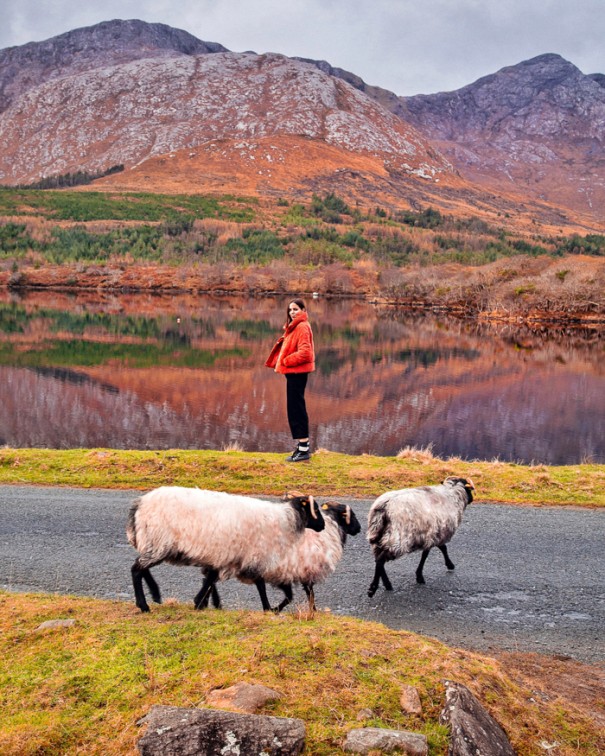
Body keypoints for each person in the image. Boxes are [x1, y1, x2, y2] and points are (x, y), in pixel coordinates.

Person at [265, 299, 315, 462]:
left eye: (296, 309)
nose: (292, 312)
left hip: (297, 373)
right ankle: (301, 447)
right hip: (293, 373)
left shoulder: (302, 327)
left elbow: (305, 353)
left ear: (303, 310)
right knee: (294, 408)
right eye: (290, 310)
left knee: (297, 409)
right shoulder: (295, 326)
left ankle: (304, 449)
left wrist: (286, 361)